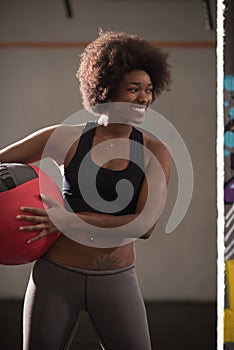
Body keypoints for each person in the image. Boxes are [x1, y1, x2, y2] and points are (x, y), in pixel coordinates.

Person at [0, 31, 172, 350]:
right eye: (133, 89)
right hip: (55, 276)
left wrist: (66, 220)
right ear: (105, 89)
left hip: (116, 279)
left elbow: (144, 226)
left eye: (148, 90)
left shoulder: (155, 151)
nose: (144, 98)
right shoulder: (66, 138)